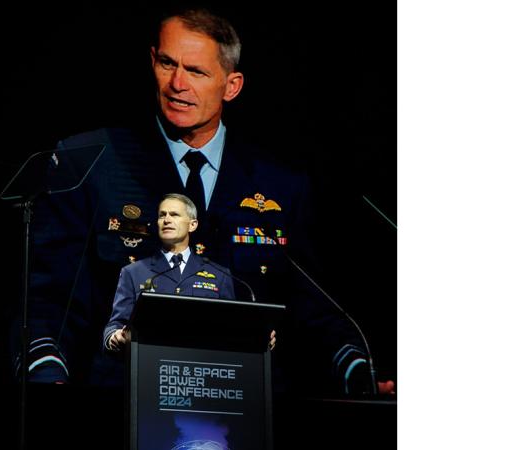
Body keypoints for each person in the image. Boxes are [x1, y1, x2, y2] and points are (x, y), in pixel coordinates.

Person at [19, 6, 389, 395]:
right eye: (167, 63)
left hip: (248, 402)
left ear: (232, 85)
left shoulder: (279, 184)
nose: (178, 83)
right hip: (124, 400)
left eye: (196, 72)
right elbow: (46, 300)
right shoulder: (93, 163)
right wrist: (45, 378)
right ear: (152, 61)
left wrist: (356, 371)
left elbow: (315, 311)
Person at [103, 193, 235, 352]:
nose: (166, 220)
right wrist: (114, 337)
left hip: (202, 364)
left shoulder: (221, 275)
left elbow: (232, 327)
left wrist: (258, 335)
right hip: (150, 365)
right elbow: (116, 325)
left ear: (192, 225)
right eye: (162, 215)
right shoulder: (133, 272)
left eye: (174, 215)